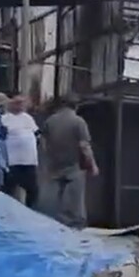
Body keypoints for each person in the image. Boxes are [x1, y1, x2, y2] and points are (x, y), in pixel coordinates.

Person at [42, 93, 97, 228]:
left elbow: (43, 143)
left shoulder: (50, 121)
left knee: (55, 200)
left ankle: (55, 225)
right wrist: (93, 165)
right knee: (75, 201)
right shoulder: (78, 121)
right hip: (74, 166)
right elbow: (84, 146)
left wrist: (50, 157)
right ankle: (74, 228)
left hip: (54, 166)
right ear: (76, 106)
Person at [1, 95, 40, 207]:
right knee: (8, 190)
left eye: (22, 103)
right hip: (12, 161)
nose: (20, 105)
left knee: (33, 190)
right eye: (17, 102)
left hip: (29, 161)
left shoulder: (28, 118)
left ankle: (30, 212)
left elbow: (37, 133)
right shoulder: (4, 118)